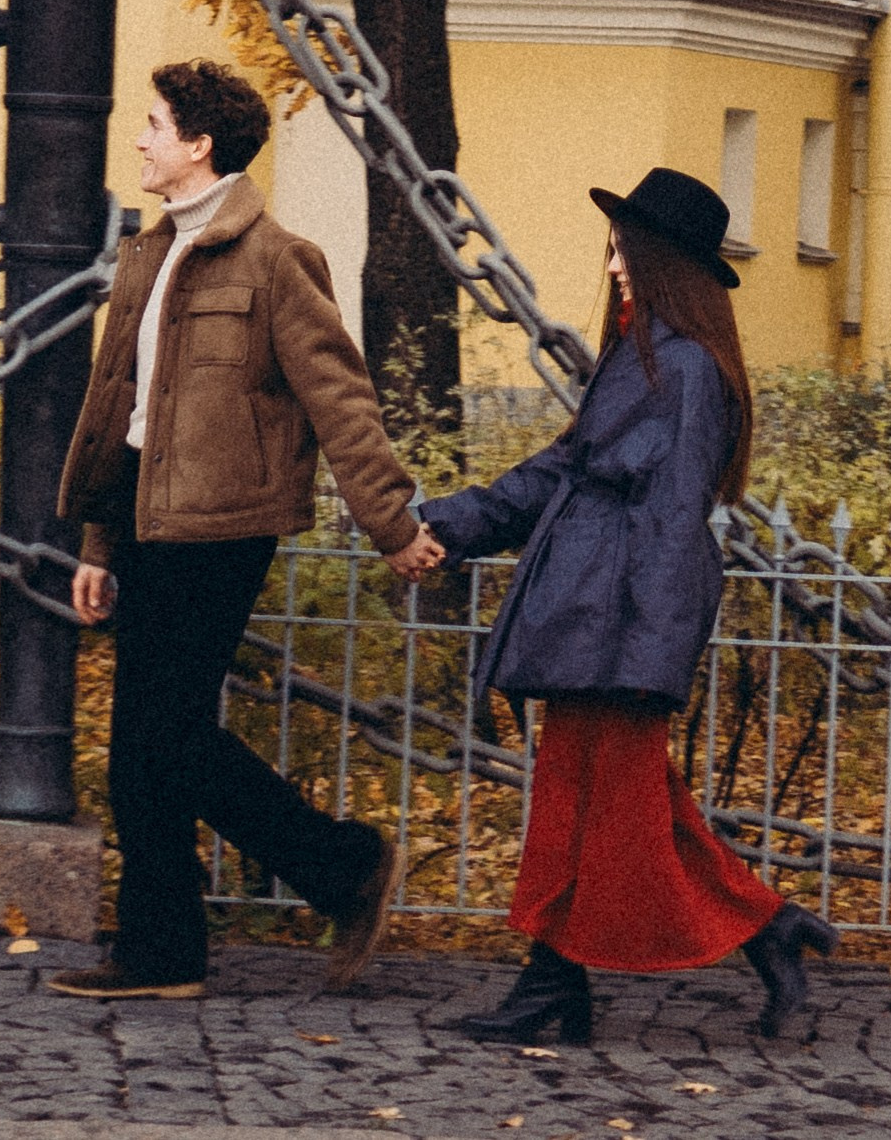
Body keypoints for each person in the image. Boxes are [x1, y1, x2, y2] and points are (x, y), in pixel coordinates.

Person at [46, 60, 442, 1004]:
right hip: (144, 518)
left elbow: (340, 400)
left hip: (222, 528)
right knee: (144, 746)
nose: (139, 140)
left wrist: (390, 521)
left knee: (163, 738)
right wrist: (99, 546)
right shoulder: (148, 256)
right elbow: (118, 414)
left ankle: (335, 866)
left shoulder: (274, 259)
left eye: (153, 125)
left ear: (198, 145)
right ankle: (169, 947)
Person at [416, 165, 837, 1047]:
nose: (611, 266)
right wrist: (446, 525)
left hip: (612, 626)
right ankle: (753, 934)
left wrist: (646, 656)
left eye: (624, 253)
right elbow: (560, 473)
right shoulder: (644, 361)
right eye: (610, 250)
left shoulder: (681, 371)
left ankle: (561, 985)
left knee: (602, 810)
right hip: (590, 616)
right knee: (614, 805)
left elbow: (672, 515)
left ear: (664, 266)